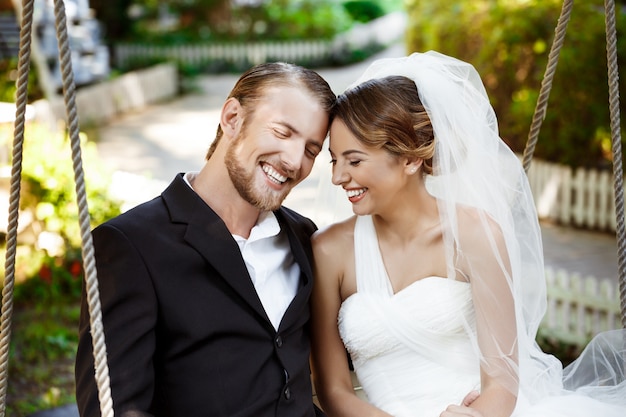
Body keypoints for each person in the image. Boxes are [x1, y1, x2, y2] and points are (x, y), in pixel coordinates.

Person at [309, 51, 626, 417]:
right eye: (334, 160)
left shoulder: (475, 234)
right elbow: (332, 390)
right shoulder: (329, 250)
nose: (337, 177)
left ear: (411, 159)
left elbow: (503, 380)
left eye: (354, 160)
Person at [75, 61, 336, 417]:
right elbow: (113, 409)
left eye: (311, 150)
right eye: (282, 132)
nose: (294, 161)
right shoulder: (129, 246)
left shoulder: (306, 237)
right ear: (231, 118)